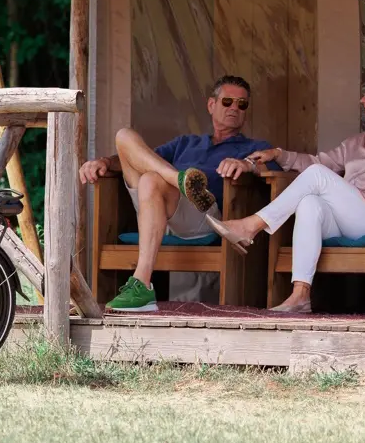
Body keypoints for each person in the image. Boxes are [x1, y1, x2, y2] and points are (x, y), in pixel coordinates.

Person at [207, 69, 365, 313]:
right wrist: (278, 154)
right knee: (309, 202)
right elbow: (317, 162)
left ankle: (251, 226)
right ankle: (300, 295)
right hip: (349, 218)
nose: (362, 100)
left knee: (316, 176)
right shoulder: (357, 142)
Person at [79, 75, 276, 313]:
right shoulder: (186, 143)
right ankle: (179, 180)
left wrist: (248, 165)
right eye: (227, 101)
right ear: (211, 105)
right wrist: (104, 162)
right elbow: (139, 157)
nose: (235, 107)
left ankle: (141, 283)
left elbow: (274, 169)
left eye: (242, 104)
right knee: (124, 136)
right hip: (154, 205)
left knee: (151, 178)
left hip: (200, 215)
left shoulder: (252, 147)